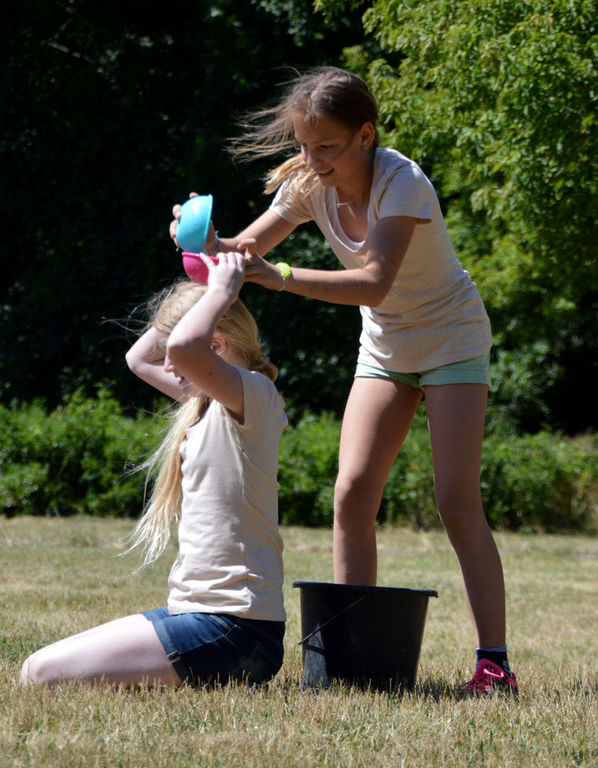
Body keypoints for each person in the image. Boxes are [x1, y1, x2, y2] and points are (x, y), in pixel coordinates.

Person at [169, 66, 518, 695]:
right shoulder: (310, 183)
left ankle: (494, 664)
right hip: (386, 344)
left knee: (455, 500)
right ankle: (354, 659)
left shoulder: (402, 182)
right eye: (305, 146)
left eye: (326, 146)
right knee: (352, 492)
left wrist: (280, 276)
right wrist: (200, 241)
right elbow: (242, 254)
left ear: (365, 135)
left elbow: (374, 282)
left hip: (452, 336)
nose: (312, 160)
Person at [20, 253, 287, 688]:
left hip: (235, 631)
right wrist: (198, 283)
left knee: (38, 673)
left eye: (173, 353)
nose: (167, 366)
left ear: (215, 346)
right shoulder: (207, 402)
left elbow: (182, 349)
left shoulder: (254, 396)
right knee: (38, 666)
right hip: (205, 619)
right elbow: (138, 358)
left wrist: (221, 292)